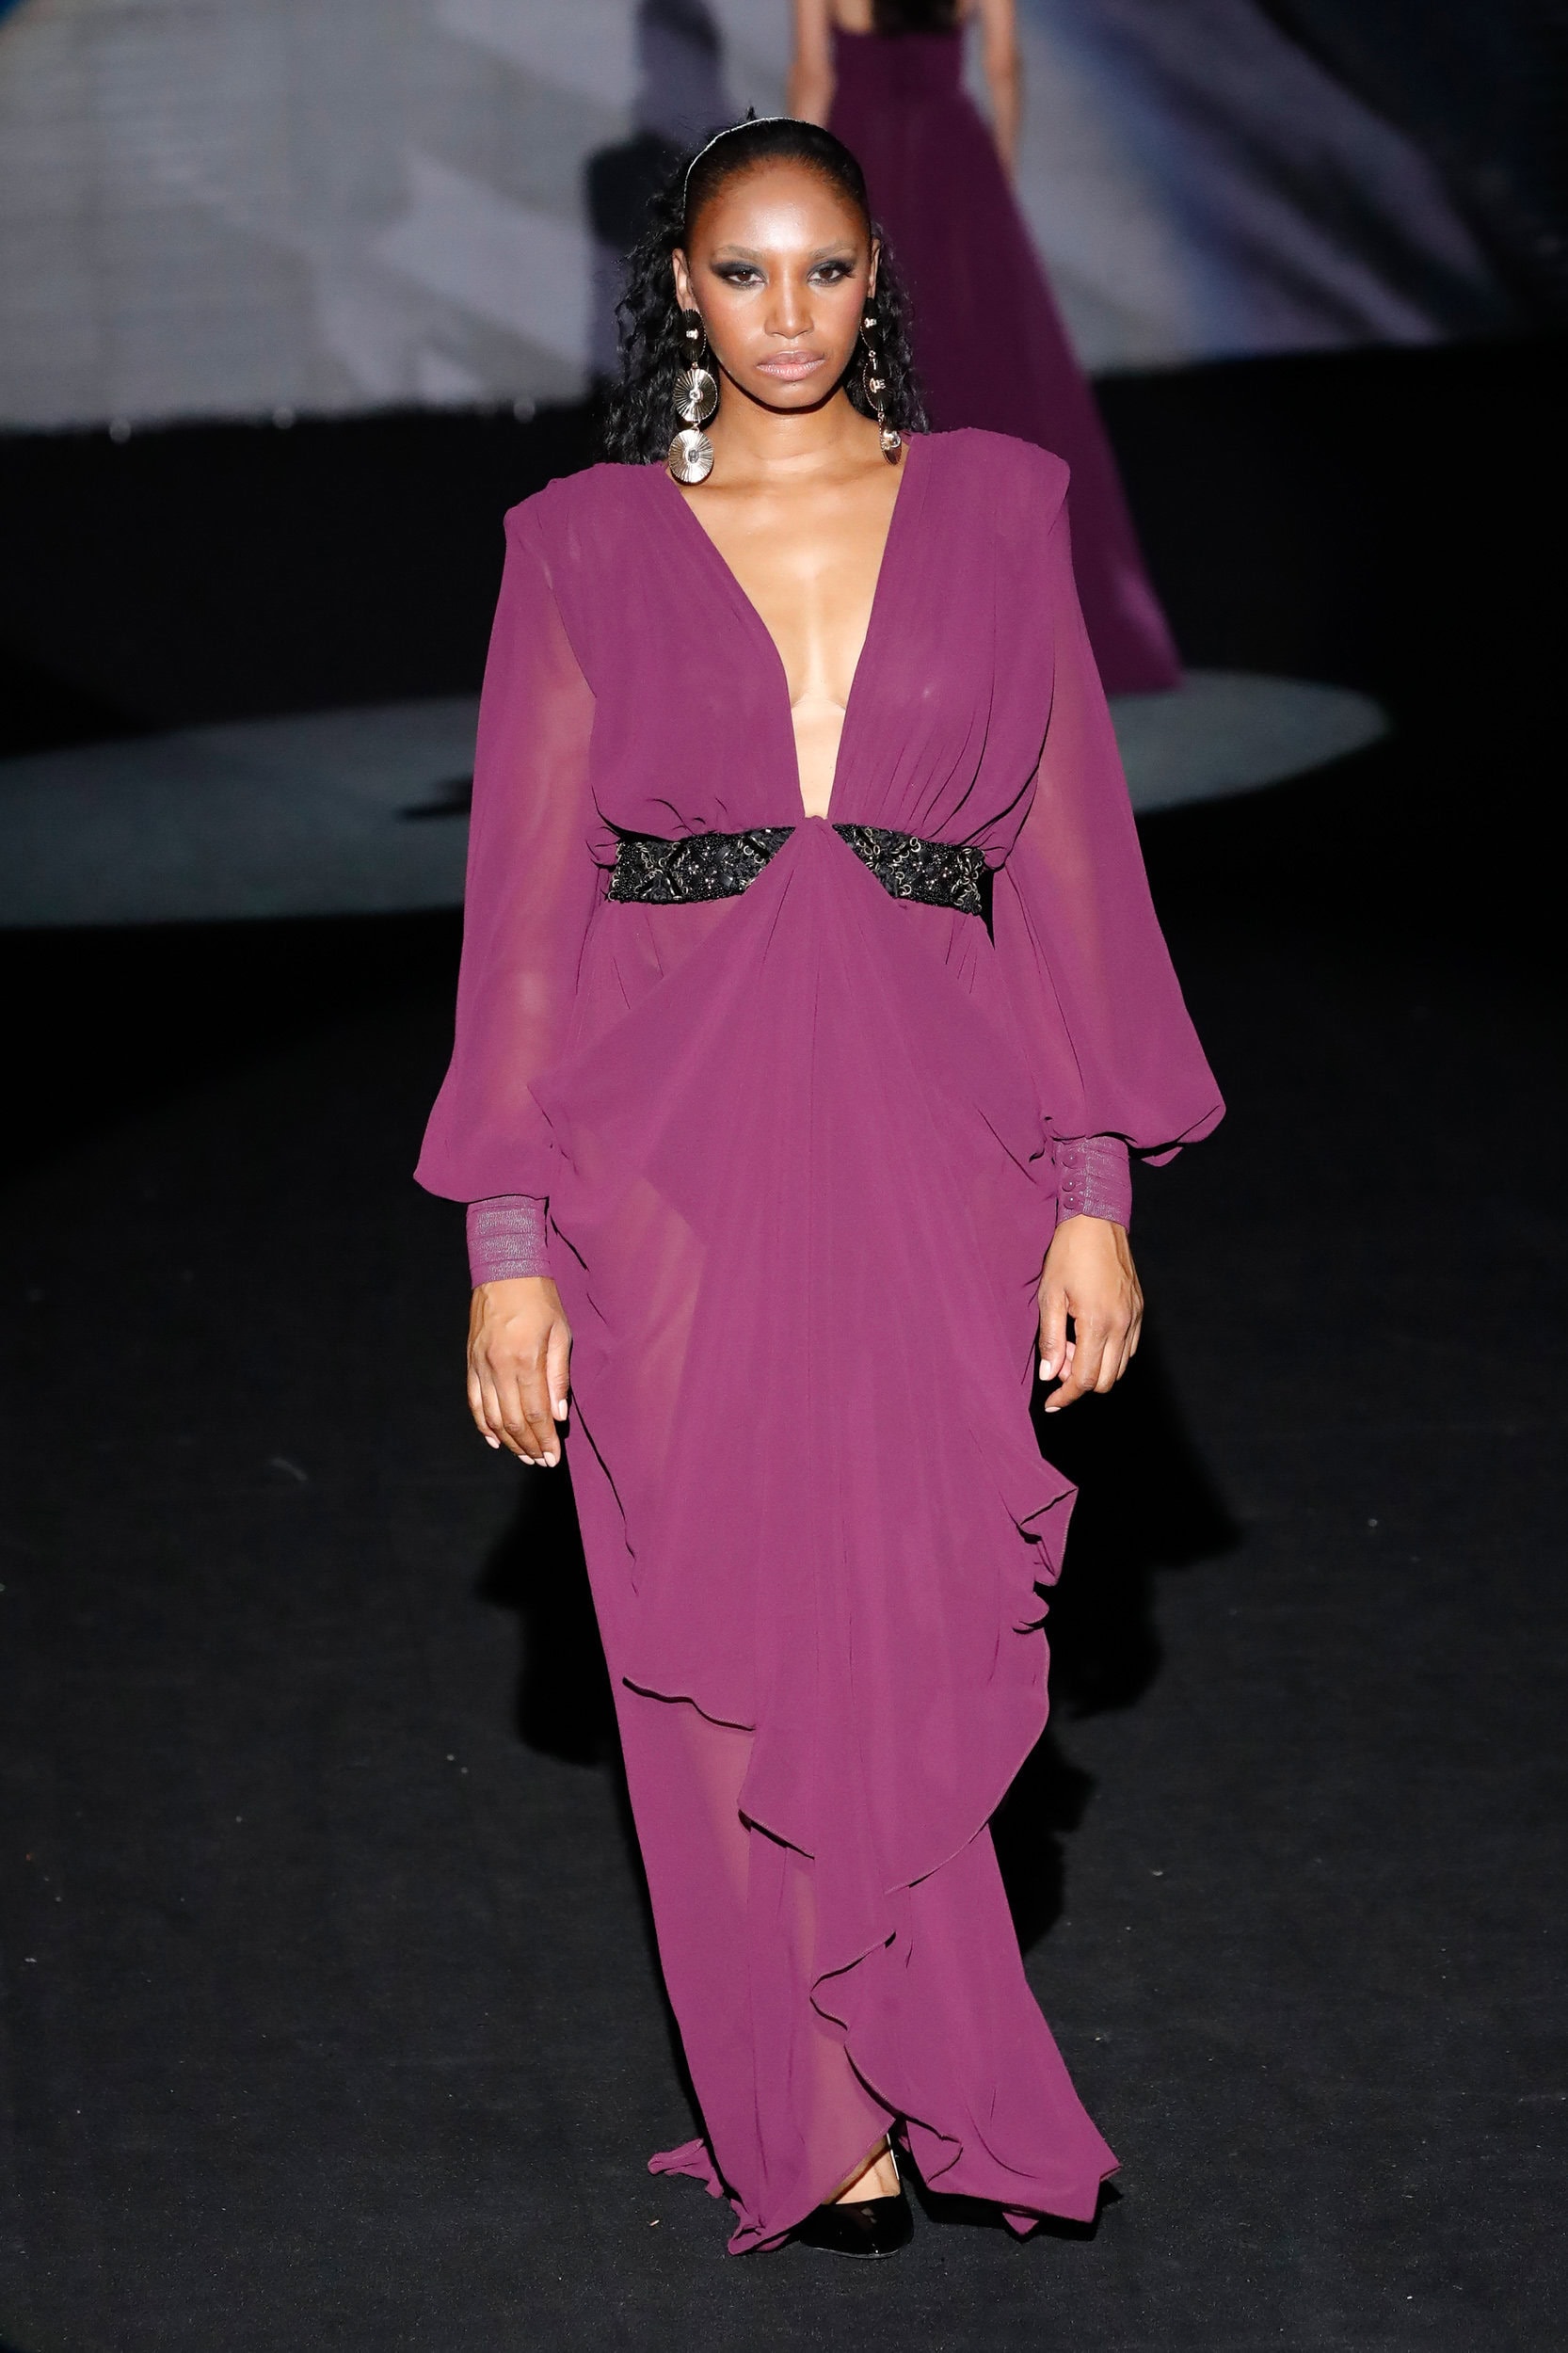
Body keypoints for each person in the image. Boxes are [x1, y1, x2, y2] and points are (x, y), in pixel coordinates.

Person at [417, 116, 1221, 2258]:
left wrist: (1094, 1191)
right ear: (681, 287)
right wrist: (508, 1246)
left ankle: (923, 2058)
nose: (788, 313)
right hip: (659, 1163)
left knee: (909, 1614)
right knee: (710, 1638)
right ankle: (810, 2118)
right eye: (744, 272)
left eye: (827, 270)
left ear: (880, 281)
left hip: (945, 1146)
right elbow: (521, 923)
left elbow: (1067, 866)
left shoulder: (996, 509)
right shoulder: (582, 543)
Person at [789, 0, 1183, 695]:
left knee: (872, 385)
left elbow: (812, 78)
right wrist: (993, 173)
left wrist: (801, 204)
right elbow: (1003, 67)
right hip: (954, 173)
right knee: (990, 382)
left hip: (860, 173)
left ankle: (885, 645)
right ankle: (1019, 632)